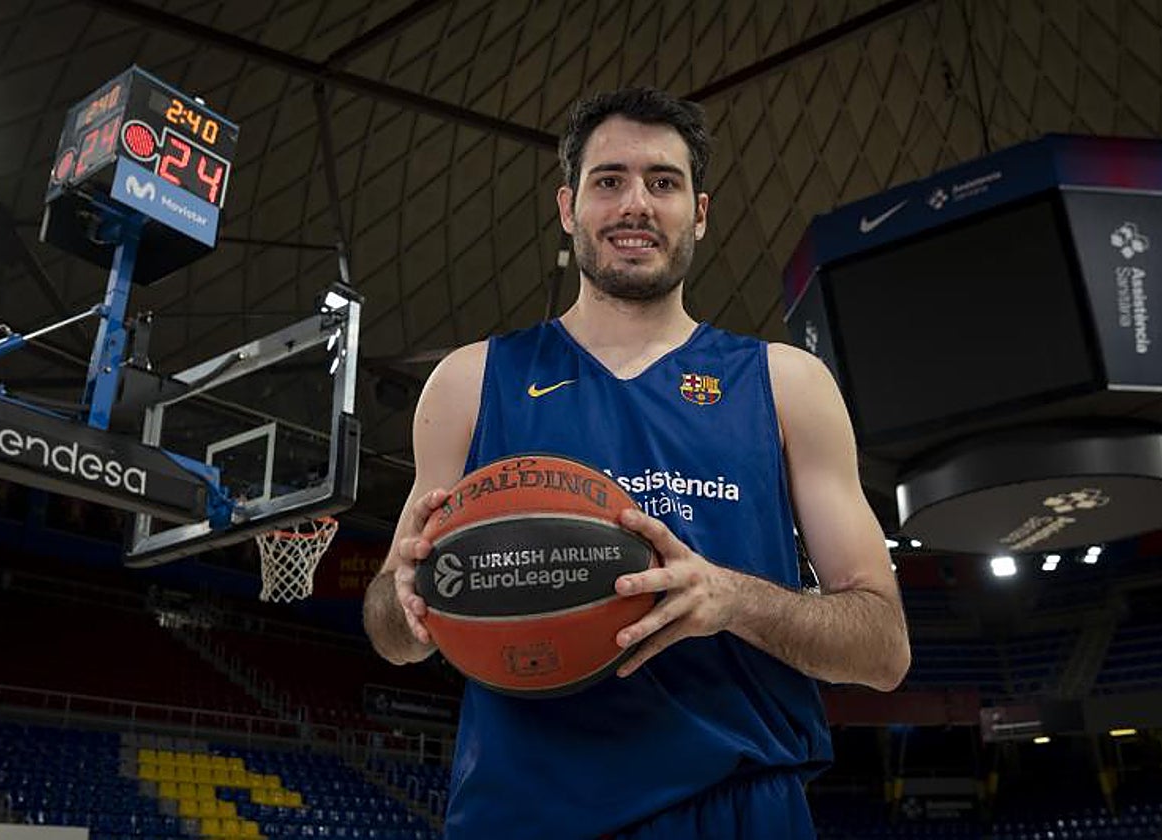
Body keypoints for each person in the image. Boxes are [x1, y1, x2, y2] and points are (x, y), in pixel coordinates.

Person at [363, 87, 910, 839]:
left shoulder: (786, 384)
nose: (635, 205)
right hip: (521, 814)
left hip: (738, 809)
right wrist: (406, 600)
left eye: (663, 182)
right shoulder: (469, 381)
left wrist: (729, 598)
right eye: (609, 180)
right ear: (568, 207)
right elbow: (390, 631)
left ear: (700, 213)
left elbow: (883, 648)